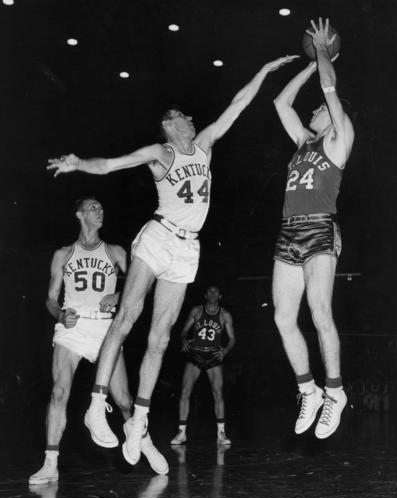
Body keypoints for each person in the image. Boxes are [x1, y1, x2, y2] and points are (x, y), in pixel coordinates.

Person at [46, 54, 297, 469]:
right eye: (183, 116)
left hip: (187, 248)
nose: (191, 119)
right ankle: (95, 406)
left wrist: (264, 72)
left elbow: (238, 104)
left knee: (161, 338)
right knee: (127, 317)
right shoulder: (159, 152)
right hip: (158, 237)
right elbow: (109, 165)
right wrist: (78, 165)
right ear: (169, 125)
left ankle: (139, 420)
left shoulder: (204, 146)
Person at [29, 197, 168, 485]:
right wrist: (59, 314)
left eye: (102, 208)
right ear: (79, 214)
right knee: (59, 392)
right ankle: (50, 463)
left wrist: (119, 296)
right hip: (74, 329)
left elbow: (140, 286)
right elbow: (50, 299)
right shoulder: (63, 254)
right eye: (94, 208)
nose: (100, 211)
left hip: (106, 330)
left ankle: (143, 440)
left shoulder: (115, 252)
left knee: (125, 400)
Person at [272, 18, 354, 439]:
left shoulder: (340, 137)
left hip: (320, 228)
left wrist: (323, 52)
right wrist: (307, 63)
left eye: (319, 110)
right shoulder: (303, 141)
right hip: (289, 231)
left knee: (320, 312)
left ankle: (335, 392)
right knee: (285, 318)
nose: (314, 110)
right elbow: (281, 105)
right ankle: (310, 389)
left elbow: (328, 90)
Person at [170, 286, 236, 446]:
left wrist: (225, 351)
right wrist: (184, 340)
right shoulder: (196, 310)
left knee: (218, 393)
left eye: (215, 292)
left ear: (219, 296)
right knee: (185, 391)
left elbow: (233, 338)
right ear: (206, 295)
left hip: (213, 355)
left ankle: (221, 433)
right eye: (210, 291)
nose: (213, 294)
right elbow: (183, 331)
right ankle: (181, 433)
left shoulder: (225, 314)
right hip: (196, 354)